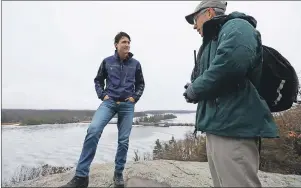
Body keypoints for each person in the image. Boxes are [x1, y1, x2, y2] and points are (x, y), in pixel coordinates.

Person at [183, 1, 279, 187]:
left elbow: (229, 66)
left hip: (234, 126)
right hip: (217, 125)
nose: (195, 26)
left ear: (209, 13)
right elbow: (207, 76)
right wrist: (193, 86)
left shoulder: (238, 26)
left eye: (196, 19)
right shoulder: (212, 40)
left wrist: (195, 90)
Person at [61, 31, 145, 188]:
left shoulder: (136, 64)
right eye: (124, 42)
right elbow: (98, 81)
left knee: (123, 141)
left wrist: (135, 98)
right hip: (109, 102)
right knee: (93, 130)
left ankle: (118, 173)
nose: (127, 45)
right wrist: (102, 95)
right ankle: (81, 177)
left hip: (127, 105)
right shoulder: (107, 62)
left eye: (128, 42)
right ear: (116, 45)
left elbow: (141, 84)